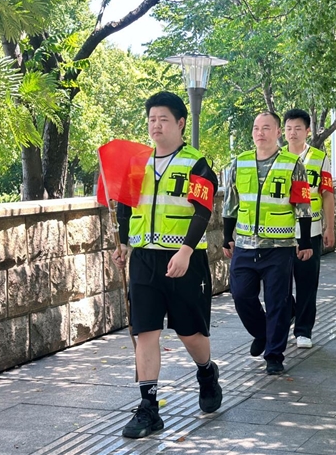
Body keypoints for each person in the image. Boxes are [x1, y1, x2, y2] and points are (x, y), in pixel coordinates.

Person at [112, 91, 222, 439]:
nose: (155, 125)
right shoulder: (136, 164)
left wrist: (187, 250)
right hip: (144, 259)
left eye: (162, 119)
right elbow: (125, 208)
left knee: (191, 333)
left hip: (184, 260)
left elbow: (203, 210)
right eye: (151, 119)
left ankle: (206, 371)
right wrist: (123, 244)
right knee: (146, 331)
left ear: (180, 123)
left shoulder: (197, 163)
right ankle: (148, 407)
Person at [222, 111, 313, 375]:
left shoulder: (293, 164)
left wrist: (305, 241)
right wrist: (228, 237)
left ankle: (274, 355)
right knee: (240, 294)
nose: (259, 132)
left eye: (266, 128)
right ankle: (262, 333)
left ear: (277, 133)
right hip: (245, 246)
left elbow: (303, 205)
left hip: (279, 247)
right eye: (255, 128)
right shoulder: (239, 163)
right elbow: (230, 204)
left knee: (277, 301)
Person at [283, 109, 335, 349]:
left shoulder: (319, 158)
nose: (292, 133)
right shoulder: (277, 158)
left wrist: (329, 227)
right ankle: (286, 317)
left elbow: (327, 195)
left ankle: (303, 330)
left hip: (310, 231)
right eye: (288, 128)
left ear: (307, 131)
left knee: (306, 283)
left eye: (297, 128)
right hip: (280, 232)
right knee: (279, 284)